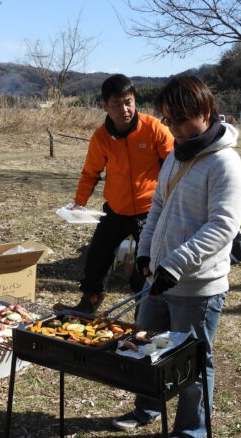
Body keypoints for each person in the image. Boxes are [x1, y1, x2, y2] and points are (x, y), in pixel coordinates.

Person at [110, 75, 241, 438]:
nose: (175, 129)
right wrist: (145, 253)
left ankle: (192, 428)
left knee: (192, 361)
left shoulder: (227, 165)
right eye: (169, 120)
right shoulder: (176, 154)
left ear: (205, 111)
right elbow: (157, 207)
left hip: (197, 286)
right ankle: (148, 406)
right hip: (158, 278)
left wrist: (176, 263)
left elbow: (222, 227)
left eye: (182, 120)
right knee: (145, 347)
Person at [58, 74, 174, 313]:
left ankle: (146, 310)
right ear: (104, 106)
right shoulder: (101, 137)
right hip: (115, 210)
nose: (124, 109)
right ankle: (87, 304)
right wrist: (79, 203)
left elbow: (175, 166)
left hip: (149, 210)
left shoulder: (154, 128)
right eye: (117, 104)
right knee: (97, 258)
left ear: (135, 101)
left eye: (128, 102)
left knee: (148, 264)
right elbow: (91, 172)